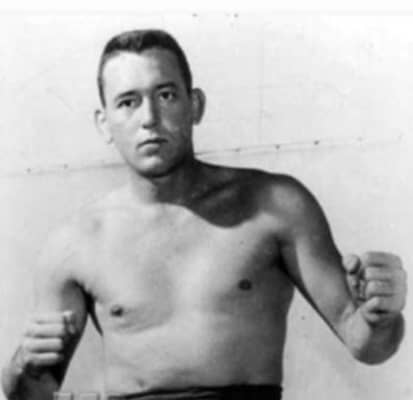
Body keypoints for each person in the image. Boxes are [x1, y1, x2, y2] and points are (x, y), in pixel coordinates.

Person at [1, 29, 407, 400]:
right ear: (104, 123)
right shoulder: (75, 243)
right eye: (128, 102)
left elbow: (366, 343)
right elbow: (31, 394)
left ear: (194, 105)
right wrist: (21, 367)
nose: (149, 118)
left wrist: (382, 316)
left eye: (165, 95)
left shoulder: (274, 203)